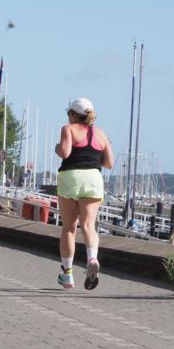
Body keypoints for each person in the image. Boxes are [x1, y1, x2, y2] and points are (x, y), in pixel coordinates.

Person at [55, 97, 114, 290]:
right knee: (88, 225)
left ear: (73, 114)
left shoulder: (68, 129)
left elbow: (65, 152)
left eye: (69, 113)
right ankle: (92, 258)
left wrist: (57, 148)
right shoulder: (101, 134)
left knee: (69, 228)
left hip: (71, 178)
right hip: (93, 179)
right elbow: (109, 163)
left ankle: (67, 275)